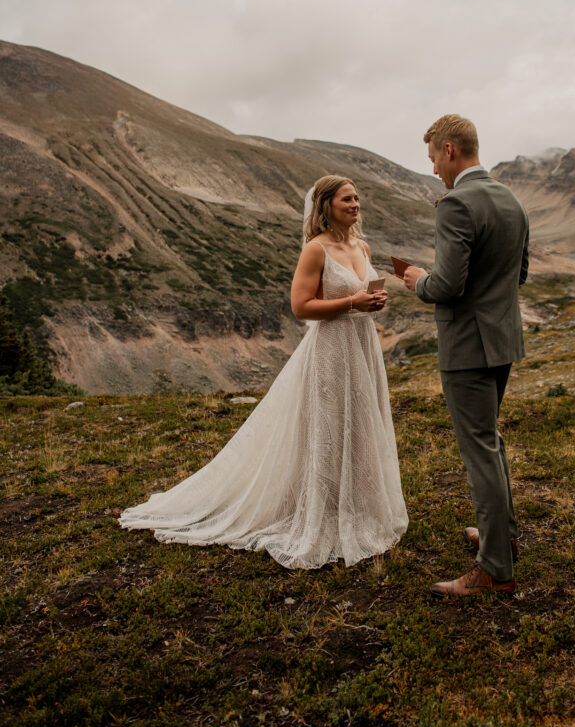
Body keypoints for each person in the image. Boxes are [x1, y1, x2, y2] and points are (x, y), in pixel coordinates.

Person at [119, 175, 408, 569]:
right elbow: (301, 307)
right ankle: (318, 514)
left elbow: (358, 297)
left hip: (361, 345)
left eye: (357, 197)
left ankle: (356, 507)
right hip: (330, 348)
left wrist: (370, 301)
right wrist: (352, 302)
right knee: (326, 427)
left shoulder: (362, 245)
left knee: (358, 423)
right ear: (326, 205)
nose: (355, 204)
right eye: (346, 199)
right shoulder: (315, 250)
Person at [402, 115, 528, 596]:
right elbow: (520, 274)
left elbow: (448, 285)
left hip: (467, 346)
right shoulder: (511, 198)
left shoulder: (456, 204)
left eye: (433, 156)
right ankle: (504, 537)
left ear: (450, 150)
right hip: (502, 340)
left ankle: (494, 568)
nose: (433, 166)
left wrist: (417, 281)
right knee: (490, 440)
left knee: (479, 451)